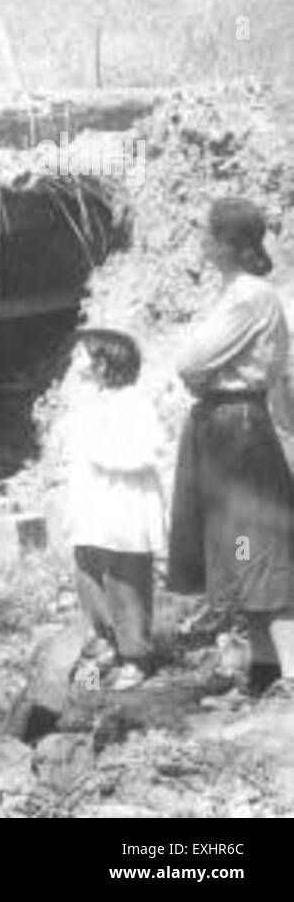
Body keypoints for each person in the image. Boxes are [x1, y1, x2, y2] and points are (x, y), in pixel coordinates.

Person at [169, 197, 294, 699]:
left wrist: (199, 369)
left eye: (211, 235)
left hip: (238, 425)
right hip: (224, 426)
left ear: (234, 245)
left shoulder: (249, 296)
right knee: (239, 551)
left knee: (257, 547)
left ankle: (288, 674)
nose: (203, 242)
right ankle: (263, 675)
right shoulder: (234, 293)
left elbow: (191, 361)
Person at [63, 328, 167, 690]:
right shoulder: (91, 403)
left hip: (123, 507)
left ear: (102, 365)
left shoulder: (133, 403)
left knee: (124, 579)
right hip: (92, 508)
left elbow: (149, 451)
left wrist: (105, 455)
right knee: (89, 575)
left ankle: (136, 656)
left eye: (81, 355)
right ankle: (106, 643)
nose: (74, 361)